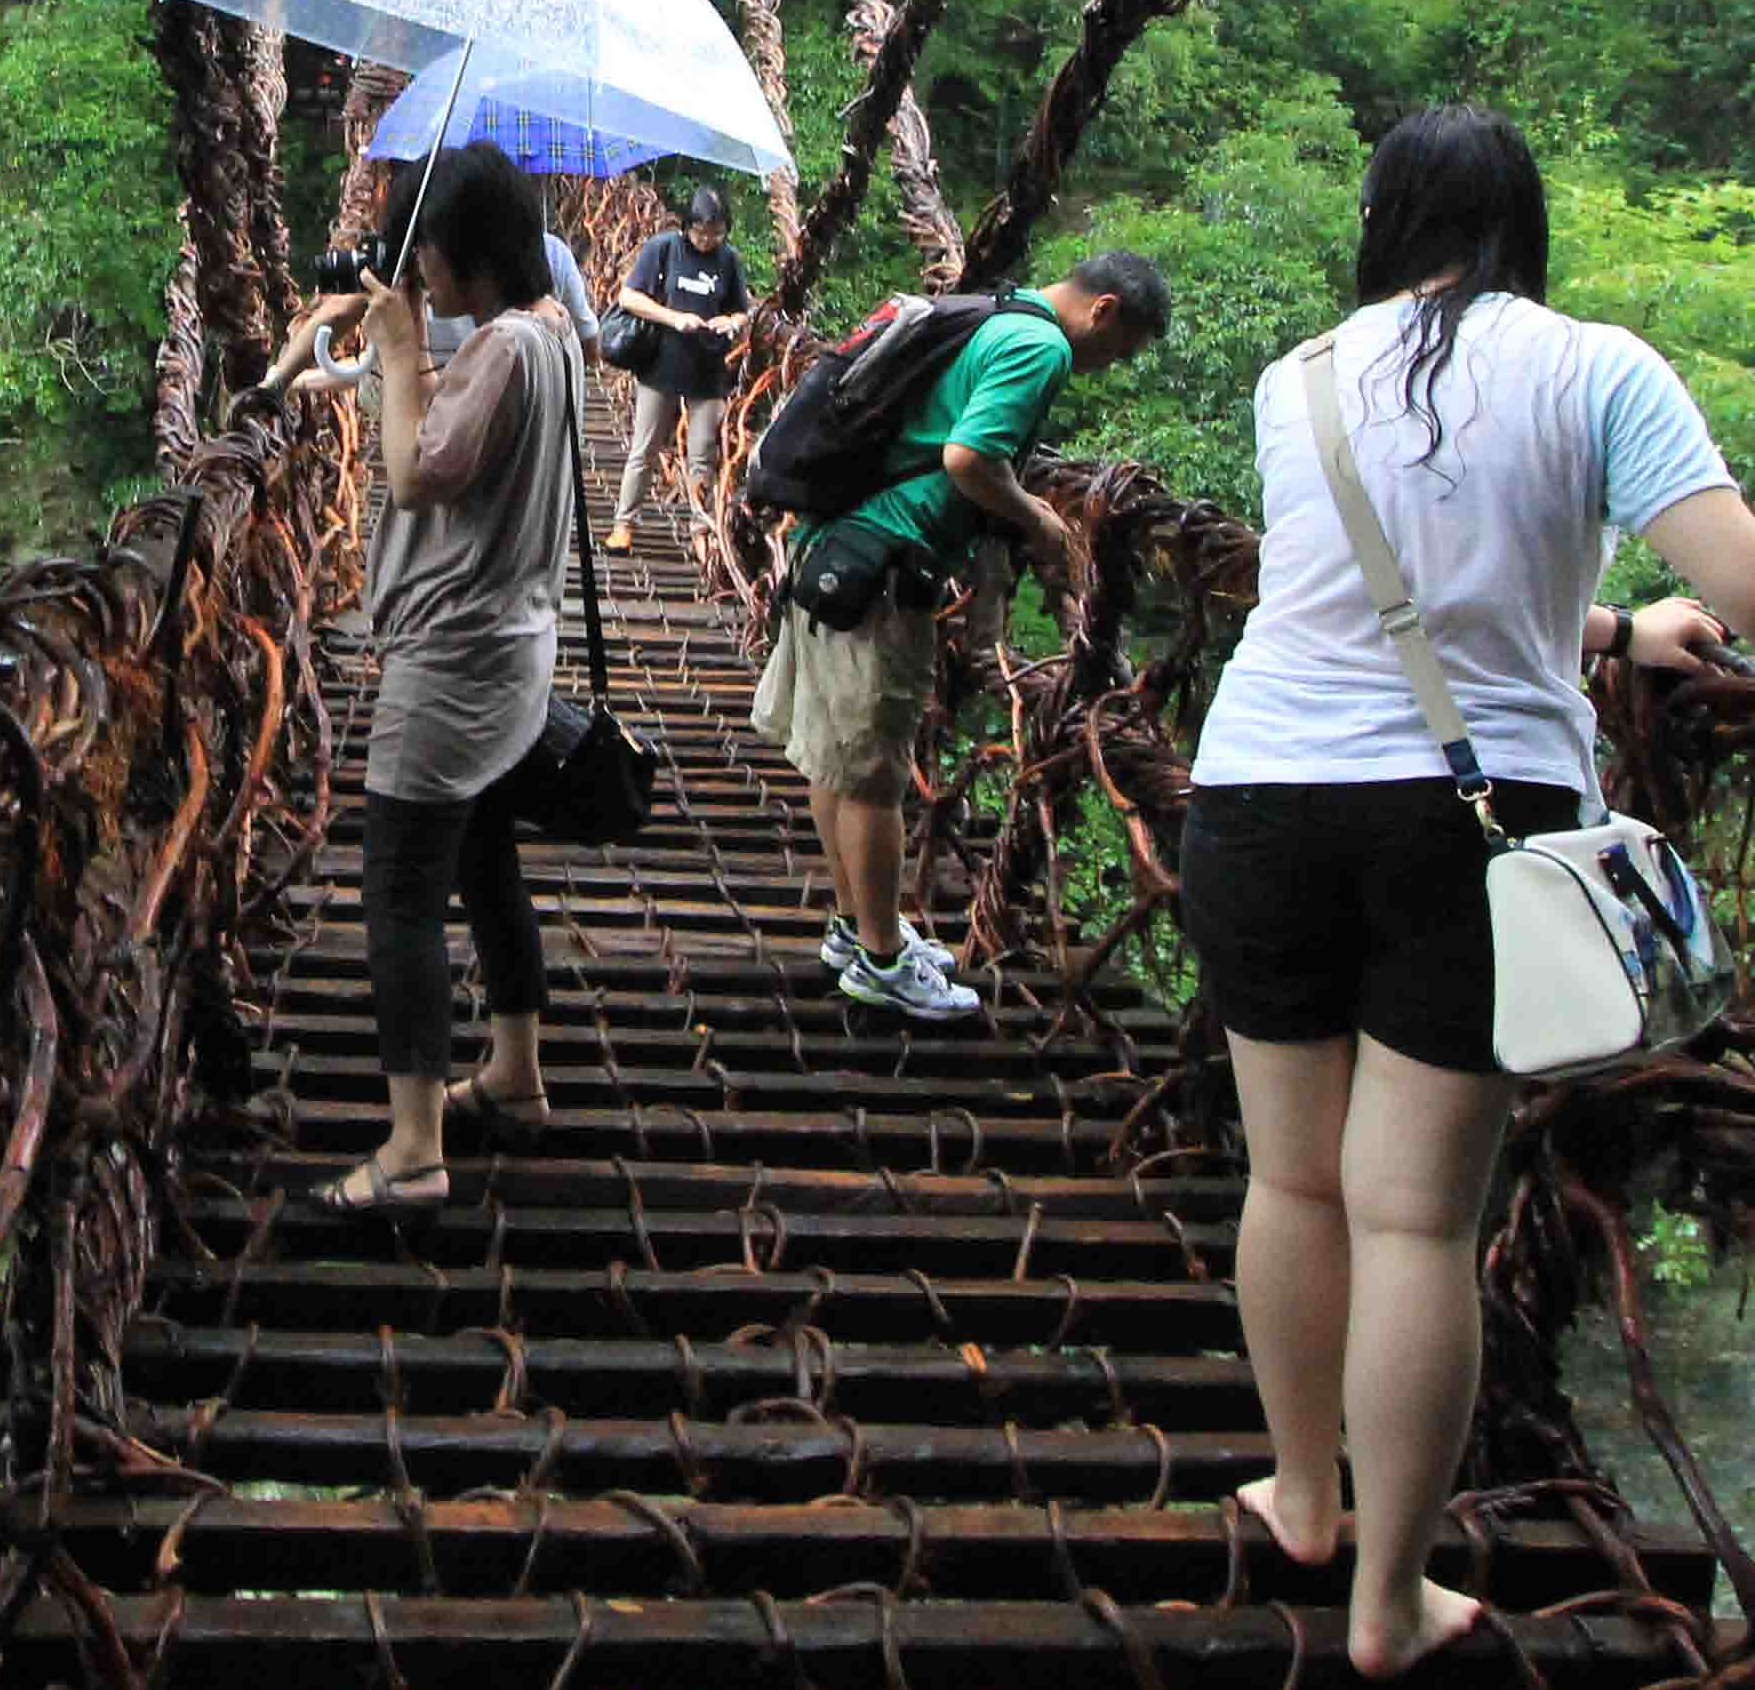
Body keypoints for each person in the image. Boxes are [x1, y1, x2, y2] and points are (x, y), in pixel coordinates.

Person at [1186, 105, 1755, 1678]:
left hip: (1259, 794)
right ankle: (1388, 1603)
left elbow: (1390, 595)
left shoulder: (1299, 380)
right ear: (1521, 227)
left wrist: (1614, 633)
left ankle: (1301, 1498)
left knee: (1292, 1185)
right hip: (1470, 831)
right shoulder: (1596, 365)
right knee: (1415, 1222)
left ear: (1383, 221)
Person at [752, 249, 1170, 1020]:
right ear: (1104, 310)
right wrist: (1041, 521)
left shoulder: (998, 311)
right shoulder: (1040, 345)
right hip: (882, 567)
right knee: (875, 771)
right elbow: (969, 459)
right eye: (1122, 349)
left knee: (838, 755)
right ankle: (879, 959)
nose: (1109, 367)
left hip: (838, 550)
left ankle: (855, 927)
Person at [306, 141, 590, 1217]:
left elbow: (418, 473)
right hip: (512, 651)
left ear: (452, 256)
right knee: (485, 860)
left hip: (454, 664)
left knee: (400, 895)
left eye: (419, 252)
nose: (410, 271)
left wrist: (395, 353)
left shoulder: (508, 351)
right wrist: (407, 352)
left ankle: (414, 1151)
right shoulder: (551, 332)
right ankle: (514, 1074)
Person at [602, 186, 753, 550]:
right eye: (701, 232)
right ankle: (624, 523)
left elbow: (741, 310)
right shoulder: (664, 248)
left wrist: (730, 323)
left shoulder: (728, 260)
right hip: (661, 364)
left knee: (703, 453)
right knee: (645, 448)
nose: (707, 240)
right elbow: (629, 297)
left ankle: (700, 529)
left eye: (716, 233)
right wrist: (674, 319)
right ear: (687, 226)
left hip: (709, 368)